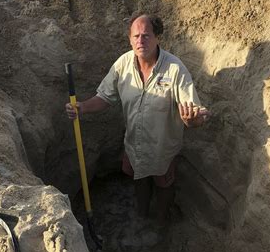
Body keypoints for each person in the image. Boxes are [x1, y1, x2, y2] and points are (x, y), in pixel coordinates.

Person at [65, 13, 210, 226]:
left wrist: (193, 120)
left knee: (163, 185)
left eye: (146, 35)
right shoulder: (122, 65)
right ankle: (142, 216)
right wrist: (82, 107)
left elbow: (192, 113)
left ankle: (161, 222)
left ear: (158, 37)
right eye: (136, 36)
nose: (140, 41)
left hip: (163, 149)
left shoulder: (175, 69)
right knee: (139, 179)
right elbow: (105, 97)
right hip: (134, 144)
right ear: (129, 39)